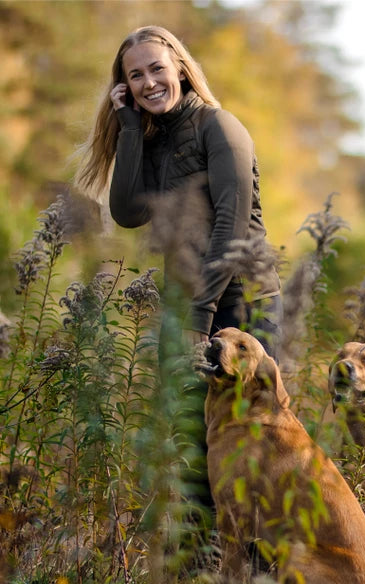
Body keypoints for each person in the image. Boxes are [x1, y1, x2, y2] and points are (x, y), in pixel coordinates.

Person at [75, 25, 282, 360]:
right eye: (136, 75)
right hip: (183, 309)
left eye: (157, 68)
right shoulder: (153, 141)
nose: (150, 83)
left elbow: (231, 227)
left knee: (247, 414)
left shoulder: (219, 127)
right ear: (126, 87)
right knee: (181, 414)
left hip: (243, 309)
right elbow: (128, 213)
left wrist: (201, 315)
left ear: (181, 70)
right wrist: (129, 129)